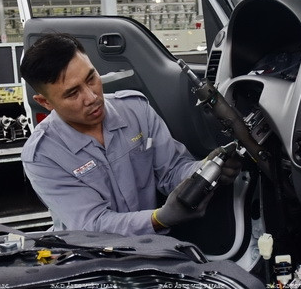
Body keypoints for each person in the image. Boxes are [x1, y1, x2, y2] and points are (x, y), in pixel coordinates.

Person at [19, 32, 238, 236]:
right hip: (90, 257)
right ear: (45, 102)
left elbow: (171, 171)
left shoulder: (136, 110)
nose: (91, 97)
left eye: (91, 78)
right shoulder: (42, 155)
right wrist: (158, 219)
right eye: (73, 93)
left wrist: (204, 169)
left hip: (151, 247)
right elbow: (92, 225)